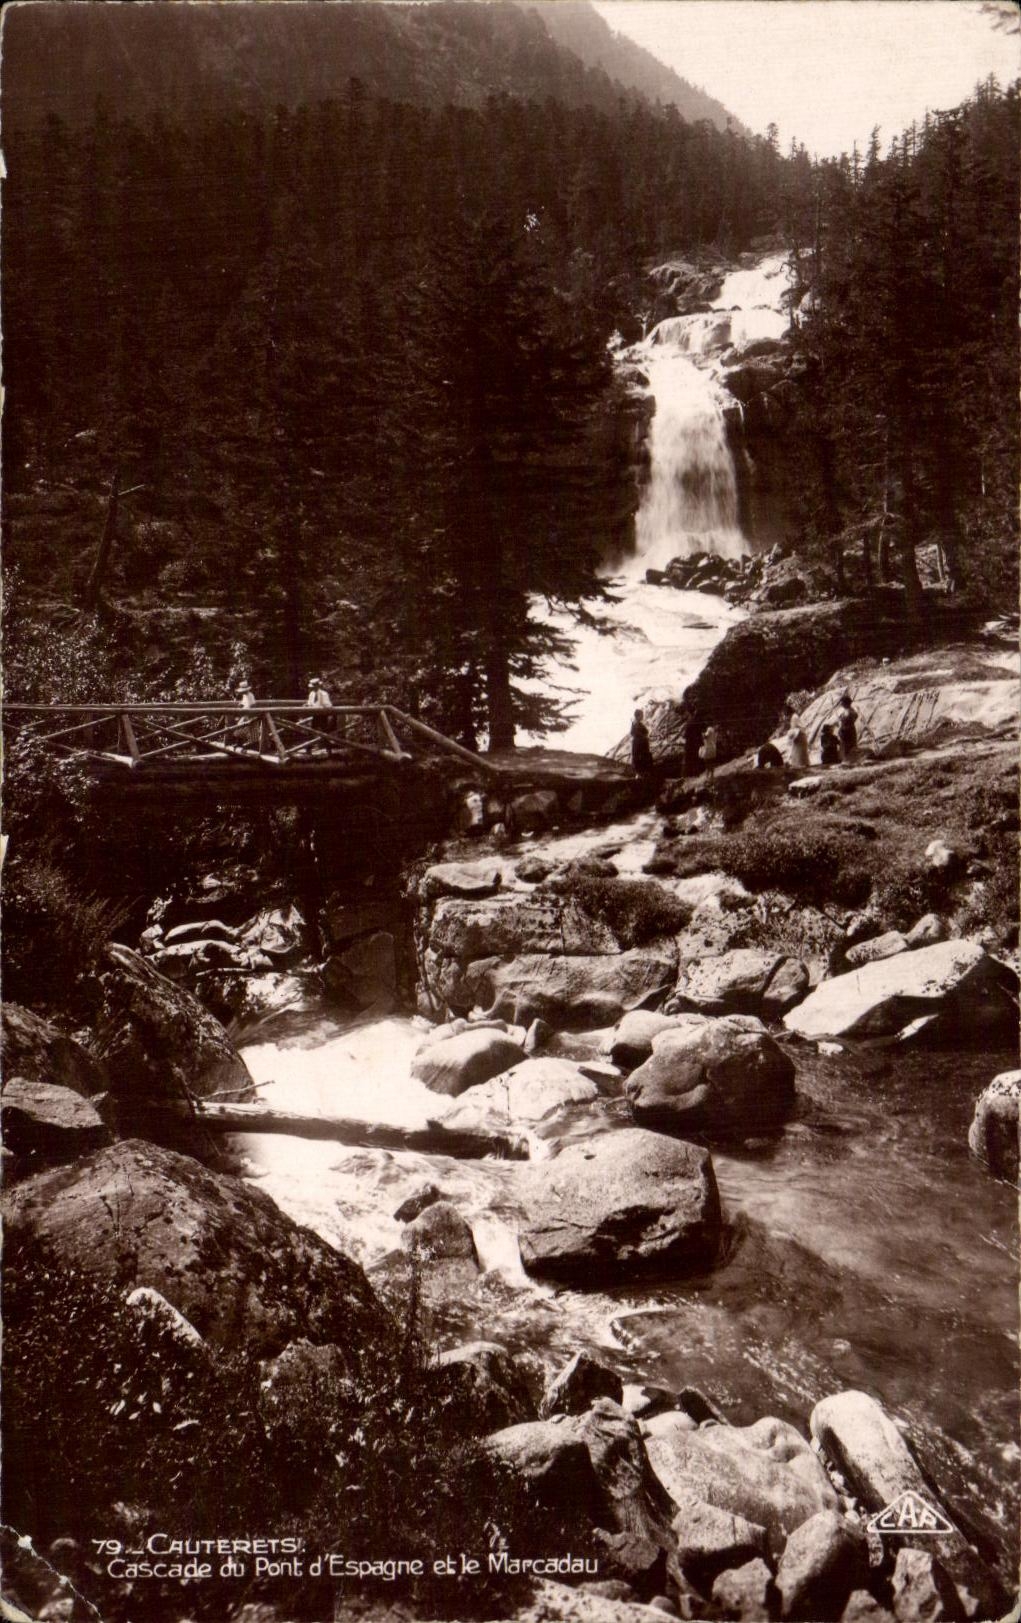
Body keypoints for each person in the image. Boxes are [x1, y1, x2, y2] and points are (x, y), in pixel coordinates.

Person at [306, 676, 333, 743]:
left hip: (322, 715)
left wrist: (323, 706)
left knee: (325, 733)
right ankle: (309, 749)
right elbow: (310, 703)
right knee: (311, 732)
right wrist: (307, 705)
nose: (313, 688)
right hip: (315, 715)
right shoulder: (311, 694)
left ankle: (329, 750)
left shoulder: (324, 694)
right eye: (312, 687)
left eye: (314, 686)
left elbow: (329, 705)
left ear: (318, 686)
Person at [630, 708, 654, 777]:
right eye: (641, 715)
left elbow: (645, 731)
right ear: (638, 716)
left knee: (643, 758)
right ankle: (641, 775)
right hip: (639, 745)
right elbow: (635, 733)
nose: (643, 716)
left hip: (641, 745)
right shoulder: (636, 724)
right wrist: (643, 737)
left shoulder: (638, 724)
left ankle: (643, 774)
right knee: (640, 759)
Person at [236, 680, 259, 749]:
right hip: (245, 715)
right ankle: (239, 744)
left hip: (250, 715)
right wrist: (240, 705)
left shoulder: (250, 695)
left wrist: (249, 714)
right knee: (239, 728)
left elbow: (253, 705)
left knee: (252, 731)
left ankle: (254, 746)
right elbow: (243, 704)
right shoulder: (244, 695)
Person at [683, 712, 705, 778]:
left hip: (690, 743)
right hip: (695, 743)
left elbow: (685, 735)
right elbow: (700, 732)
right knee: (696, 758)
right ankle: (697, 773)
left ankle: (689, 775)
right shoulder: (697, 722)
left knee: (689, 759)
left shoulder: (689, 722)